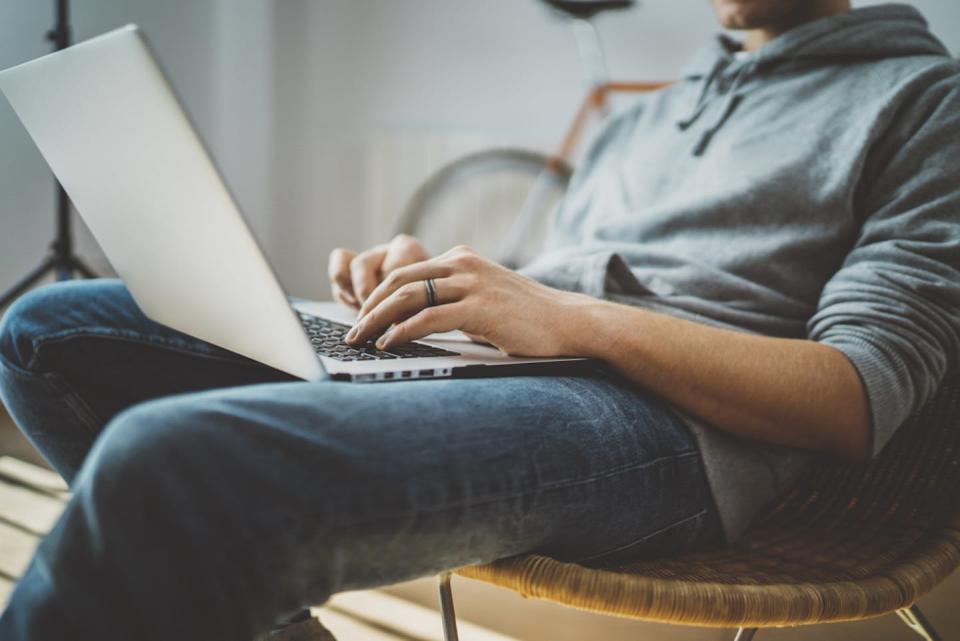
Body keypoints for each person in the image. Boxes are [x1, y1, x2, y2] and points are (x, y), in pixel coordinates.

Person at [1, 1, 958, 639]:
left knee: (174, 463)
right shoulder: (647, 115)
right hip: (526, 373)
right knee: (42, 333)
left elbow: (856, 399)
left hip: (675, 432)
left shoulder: (924, 103)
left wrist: (570, 316)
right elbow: (554, 292)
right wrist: (436, 289)